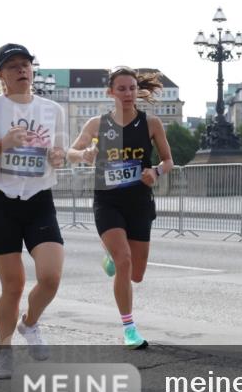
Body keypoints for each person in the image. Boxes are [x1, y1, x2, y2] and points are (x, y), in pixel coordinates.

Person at [0, 44, 68, 379]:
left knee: (51, 277)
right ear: (1, 74)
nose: (21, 70)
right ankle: (3, 349)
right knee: (13, 286)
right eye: (12, 66)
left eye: (26, 64)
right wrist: (2, 145)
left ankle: (30, 323)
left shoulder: (52, 109)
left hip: (40, 200)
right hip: (1, 203)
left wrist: (59, 157)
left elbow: (59, 150)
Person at [67, 66, 173, 349]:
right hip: (108, 201)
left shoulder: (151, 123)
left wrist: (157, 173)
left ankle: (111, 259)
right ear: (110, 92)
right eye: (122, 88)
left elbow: (167, 161)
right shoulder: (96, 124)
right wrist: (85, 153)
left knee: (135, 274)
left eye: (132, 88)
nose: (128, 94)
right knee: (124, 259)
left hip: (139, 202)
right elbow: (70, 152)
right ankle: (129, 328)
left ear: (137, 90)